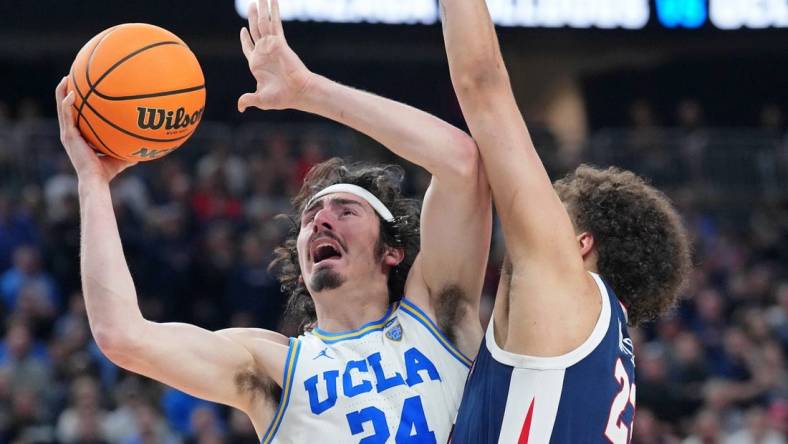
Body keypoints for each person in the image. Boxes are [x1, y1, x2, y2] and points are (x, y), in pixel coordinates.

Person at [54, 1, 491, 443]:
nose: (321, 220)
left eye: (345, 211)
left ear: (392, 251)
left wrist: (308, 91)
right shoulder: (273, 367)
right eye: (311, 217)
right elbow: (123, 337)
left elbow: (460, 162)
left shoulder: (437, 314)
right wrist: (93, 181)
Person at [438, 1, 692, 442]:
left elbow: (483, 87)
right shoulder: (608, 352)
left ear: (580, 243)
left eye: (559, 212)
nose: (530, 223)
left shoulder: (570, 292)